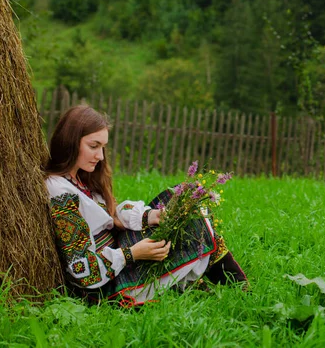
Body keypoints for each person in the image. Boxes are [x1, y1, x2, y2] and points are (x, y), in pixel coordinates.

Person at [43, 105, 247, 306]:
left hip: (120, 250)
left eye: (103, 147)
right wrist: (133, 253)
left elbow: (109, 215)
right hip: (107, 284)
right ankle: (239, 287)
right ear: (70, 142)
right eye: (93, 146)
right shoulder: (59, 191)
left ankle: (209, 279)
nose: (101, 156)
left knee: (186, 196)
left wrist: (150, 217)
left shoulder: (81, 178)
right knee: (194, 222)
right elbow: (81, 269)